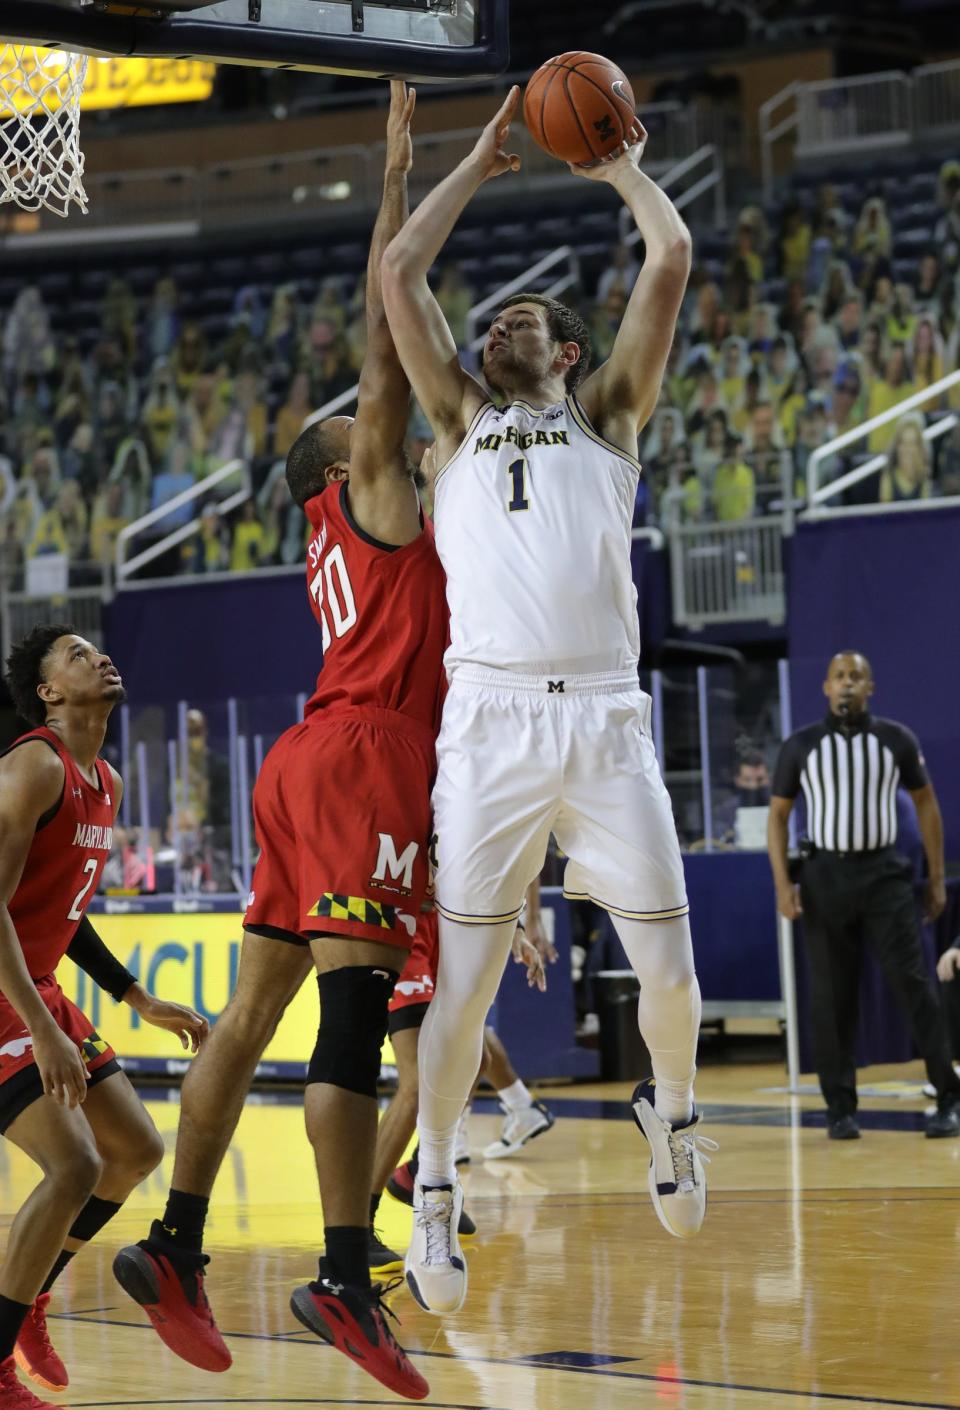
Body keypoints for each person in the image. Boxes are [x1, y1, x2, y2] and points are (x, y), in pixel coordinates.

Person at [112, 83, 439, 1403]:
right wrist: (400, 168)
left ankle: (178, 1243)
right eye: (365, 421)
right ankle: (347, 1271)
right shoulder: (367, 481)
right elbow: (384, 318)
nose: (389, 423)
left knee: (249, 1016)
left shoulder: (336, 532)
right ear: (336, 460)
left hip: (305, 756)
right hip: (361, 756)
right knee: (350, 1018)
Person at [381, 89, 711, 1318]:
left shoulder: (613, 417)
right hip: (493, 725)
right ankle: (431, 1202)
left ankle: (673, 1118)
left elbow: (670, 255)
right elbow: (404, 270)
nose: (492, 325)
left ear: (565, 352)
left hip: (609, 721)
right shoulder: (458, 419)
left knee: (669, 977)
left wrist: (621, 166)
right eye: (491, 320)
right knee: (459, 992)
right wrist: (471, 162)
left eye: (517, 319)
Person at [0, 625, 207, 1410]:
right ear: (49, 693)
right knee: (76, 1166)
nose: (99, 656)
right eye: (76, 654)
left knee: (134, 1149)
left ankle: (31, 1299)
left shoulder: (105, 780)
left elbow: (64, 910)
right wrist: (45, 1029)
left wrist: (136, 998)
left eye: (98, 649)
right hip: (7, 989)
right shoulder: (32, 767)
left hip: (37, 981)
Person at [767, 650, 960, 1140]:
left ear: (870, 687)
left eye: (857, 676)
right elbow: (778, 817)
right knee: (831, 995)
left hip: (884, 876)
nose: (848, 683)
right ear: (826, 688)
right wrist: (782, 883)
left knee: (913, 984)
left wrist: (936, 879)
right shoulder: (800, 746)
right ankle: (840, 1109)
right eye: (839, 676)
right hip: (824, 875)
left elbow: (927, 806)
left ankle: (948, 1097)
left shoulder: (895, 739)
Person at [368, 883, 554, 1276]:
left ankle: (421, 1167)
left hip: (449, 920)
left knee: (477, 1058)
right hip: (401, 918)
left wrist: (517, 929)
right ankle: (357, 1222)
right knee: (419, 1085)